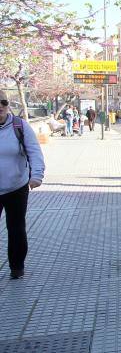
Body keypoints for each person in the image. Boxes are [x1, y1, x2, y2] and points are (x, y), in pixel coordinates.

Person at [0, 90, 45, 279]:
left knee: (16, 228)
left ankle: (16, 267)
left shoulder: (20, 126)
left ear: (8, 105)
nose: (0, 107)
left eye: (3, 102)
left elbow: (34, 152)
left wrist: (36, 176)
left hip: (16, 186)